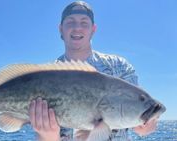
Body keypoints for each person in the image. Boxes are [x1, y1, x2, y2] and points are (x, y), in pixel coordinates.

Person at [28, 1, 158, 141]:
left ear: (93, 29)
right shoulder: (46, 76)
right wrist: (48, 136)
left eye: (84, 23)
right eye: (70, 22)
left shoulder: (119, 66)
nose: (77, 28)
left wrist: (146, 126)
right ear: (61, 29)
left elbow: (140, 121)